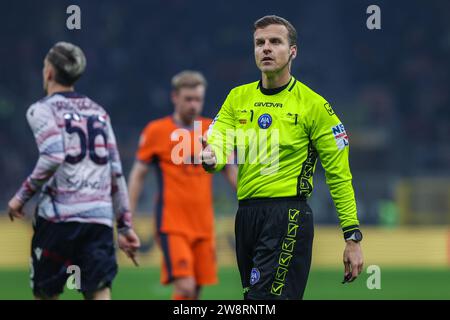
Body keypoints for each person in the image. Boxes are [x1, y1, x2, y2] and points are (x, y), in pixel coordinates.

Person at [201, 15, 364, 300]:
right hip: (247, 217)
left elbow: (339, 175)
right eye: (259, 43)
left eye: (275, 42)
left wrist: (352, 237)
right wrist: (211, 156)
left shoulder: (314, 106)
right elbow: (218, 139)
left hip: (287, 215)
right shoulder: (237, 98)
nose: (266, 48)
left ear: (292, 51)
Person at [7, 42, 140, 300]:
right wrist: (124, 227)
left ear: (48, 73)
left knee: (47, 293)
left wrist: (21, 197)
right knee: (99, 294)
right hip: (98, 221)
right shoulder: (99, 113)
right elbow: (116, 172)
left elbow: (53, 155)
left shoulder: (41, 110)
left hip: (59, 220)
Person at [128, 71, 237, 300]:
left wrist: (254, 200)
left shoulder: (213, 130)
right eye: (188, 99)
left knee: (195, 290)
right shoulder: (156, 131)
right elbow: (138, 175)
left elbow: (230, 171)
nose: (194, 105)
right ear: (174, 97)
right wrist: (128, 218)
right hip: (172, 224)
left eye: (198, 99)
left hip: (204, 224)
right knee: (185, 287)